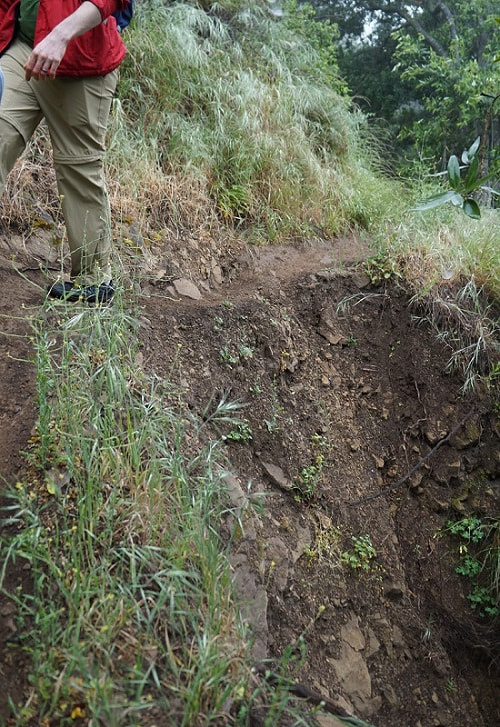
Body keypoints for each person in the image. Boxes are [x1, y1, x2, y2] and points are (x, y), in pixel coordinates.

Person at [0, 1, 130, 303]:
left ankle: (93, 279)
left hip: (80, 58)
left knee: (78, 167)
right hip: (22, 46)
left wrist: (60, 35)